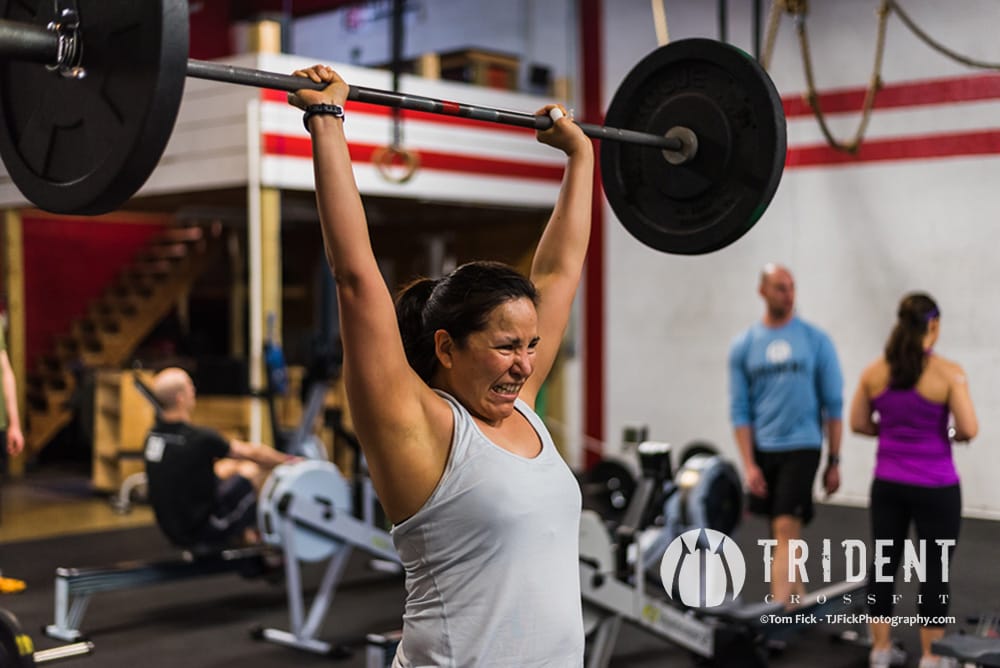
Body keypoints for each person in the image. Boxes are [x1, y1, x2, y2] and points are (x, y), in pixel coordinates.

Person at [288, 64, 593, 666]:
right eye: (506, 347)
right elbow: (355, 279)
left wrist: (580, 158)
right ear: (448, 348)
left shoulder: (522, 411)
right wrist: (326, 120)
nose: (525, 365)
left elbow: (559, 272)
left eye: (531, 346)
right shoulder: (418, 428)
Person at [850, 293, 977, 668]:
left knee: (883, 564)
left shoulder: (874, 372)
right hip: (936, 487)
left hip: (888, 485)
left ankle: (880, 650)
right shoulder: (948, 373)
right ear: (933, 325)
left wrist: (893, 433)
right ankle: (931, 657)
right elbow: (968, 428)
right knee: (934, 569)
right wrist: (945, 435)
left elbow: (859, 423)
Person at [728, 263, 844, 606]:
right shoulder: (744, 345)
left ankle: (777, 615)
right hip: (765, 447)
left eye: (792, 287)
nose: (788, 295)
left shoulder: (815, 340)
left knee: (784, 528)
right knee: (781, 532)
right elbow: (740, 410)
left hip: (803, 446)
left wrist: (834, 461)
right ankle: (796, 602)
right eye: (780, 288)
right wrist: (749, 464)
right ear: (762, 291)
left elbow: (834, 405)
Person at [143, 367, 294, 549]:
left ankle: (244, 534)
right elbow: (253, 453)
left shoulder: (153, 436)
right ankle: (262, 540)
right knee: (254, 470)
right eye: (190, 386)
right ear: (180, 398)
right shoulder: (199, 438)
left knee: (230, 465)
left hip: (172, 530)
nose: (194, 390)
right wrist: (289, 461)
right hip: (203, 530)